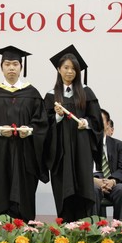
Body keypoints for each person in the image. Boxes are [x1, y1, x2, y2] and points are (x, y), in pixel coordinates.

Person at [0, 46, 48, 222]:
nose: (11, 68)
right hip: (0, 154)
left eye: (15, 64)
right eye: (7, 64)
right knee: (1, 192)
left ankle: (25, 233)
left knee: (25, 195)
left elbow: (42, 123)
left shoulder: (32, 94)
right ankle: (0, 232)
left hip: (25, 154)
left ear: (21, 67)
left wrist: (29, 130)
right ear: (1, 67)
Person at [43, 45, 103, 221]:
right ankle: (65, 227)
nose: (70, 72)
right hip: (61, 152)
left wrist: (87, 122)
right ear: (59, 69)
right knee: (64, 191)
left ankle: (83, 228)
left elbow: (97, 121)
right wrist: (57, 117)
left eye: (73, 68)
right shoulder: (51, 96)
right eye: (66, 67)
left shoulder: (86, 92)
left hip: (81, 150)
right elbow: (44, 126)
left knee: (83, 190)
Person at [93, 109, 122, 219]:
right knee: (92, 190)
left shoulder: (118, 145)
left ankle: (120, 226)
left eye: (100, 120)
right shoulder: (85, 144)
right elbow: (81, 169)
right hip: (93, 181)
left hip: (112, 180)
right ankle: (94, 227)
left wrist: (112, 181)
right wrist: (95, 181)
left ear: (108, 124)